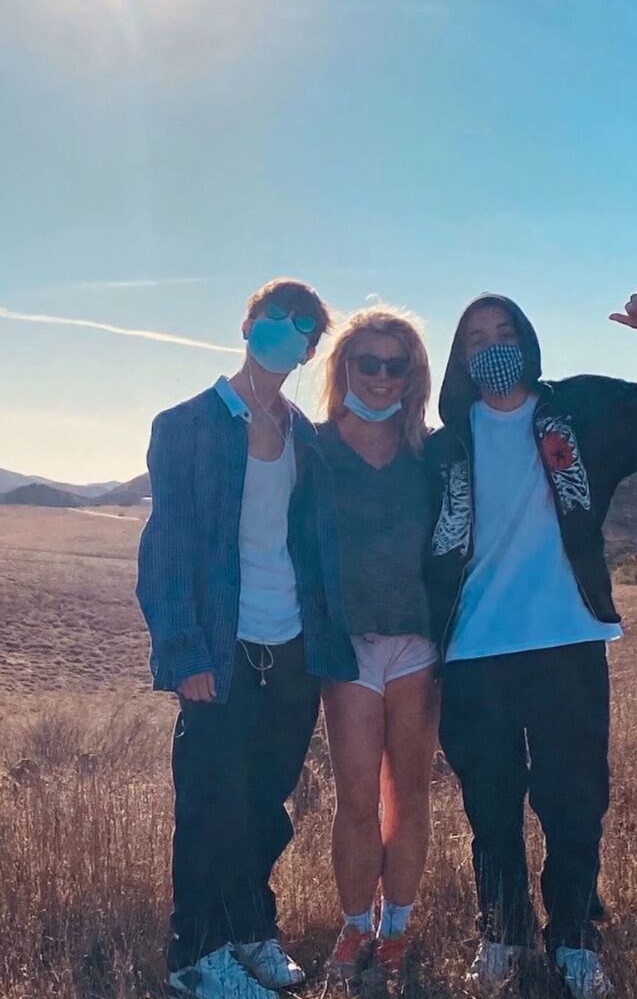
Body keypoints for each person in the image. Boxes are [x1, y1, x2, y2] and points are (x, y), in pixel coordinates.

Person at [425, 285, 637, 999]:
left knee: (575, 799)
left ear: (527, 340)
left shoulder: (578, 414)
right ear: (461, 359)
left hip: (567, 640)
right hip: (472, 653)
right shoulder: (443, 449)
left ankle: (577, 937)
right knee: (490, 805)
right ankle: (504, 933)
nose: (494, 349)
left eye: (504, 332)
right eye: (477, 340)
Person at [136, 278, 358, 999]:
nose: (286, 331)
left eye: (303, 325)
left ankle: (249, 930)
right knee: (211, 804)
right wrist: (185, 651)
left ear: (311, 348)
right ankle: (195, 956)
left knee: (265, 805)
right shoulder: (188, 423)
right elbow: (166, 546)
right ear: (247, 323)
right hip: (223, 648)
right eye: (276, 317)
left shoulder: (305, 435)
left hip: (291, 645)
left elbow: (315, 546)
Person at [317, 308, 439, 982]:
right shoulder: (314, 447)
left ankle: (396, 928)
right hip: (350, 647)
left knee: (410, 797)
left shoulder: (431, 452)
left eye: (399, 365)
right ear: (344, 368)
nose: (384, 377)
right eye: (370, 362)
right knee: (356, 798)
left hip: (418, 643)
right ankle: (354, 927)